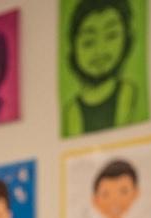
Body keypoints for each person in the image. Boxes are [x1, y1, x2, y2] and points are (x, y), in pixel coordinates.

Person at [62, 0, 144, 135]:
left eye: (111, 35)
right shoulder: (72, 109)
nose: (100, 51)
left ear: (126, 38)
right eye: (88, 42)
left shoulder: (127, 92)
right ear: (73, 48)